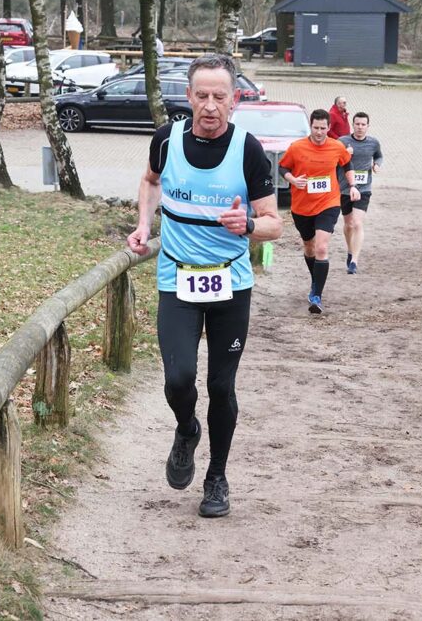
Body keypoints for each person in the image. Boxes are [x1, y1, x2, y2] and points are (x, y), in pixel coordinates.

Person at [127, 54, 282, 519]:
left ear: (234, 101)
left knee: (221, 385)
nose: (210, 105)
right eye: (202, 95)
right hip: (177, 278)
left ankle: (216, 477)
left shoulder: (248, 150)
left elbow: (275, 224)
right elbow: (151, 182)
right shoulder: (166, 140)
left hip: (230, 285)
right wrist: (142, 223)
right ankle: (186, 428)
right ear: (189, 97)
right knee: (178, 379)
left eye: (220, 96)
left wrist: (248, 223)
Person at [280, 108, 357, 313]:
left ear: (329, 128)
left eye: (323, 128)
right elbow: (283, 168)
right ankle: (316, 279)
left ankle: (316, 295)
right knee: (309, 247)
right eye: (316, 128)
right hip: (302, 206)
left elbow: (347, 165)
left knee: (322, 248)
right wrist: (293, 180)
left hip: (328, 203)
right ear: (310, 126)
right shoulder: (297, 148)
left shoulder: (336, 147)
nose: (320, 132)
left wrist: (353, 186)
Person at [338, 111, 382, 274]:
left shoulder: (373, 143)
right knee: (348, 224)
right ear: (353, 124)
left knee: (357, 223)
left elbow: (379, 156)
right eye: (357, 124)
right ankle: (350, 250)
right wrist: (344, 154)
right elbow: (333, 159)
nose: (360, 127)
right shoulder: (342, 142)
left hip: (364, 189)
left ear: (368, 127)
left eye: (363, 125)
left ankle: (354, 262)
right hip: (345, 189)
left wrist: (377, 165)